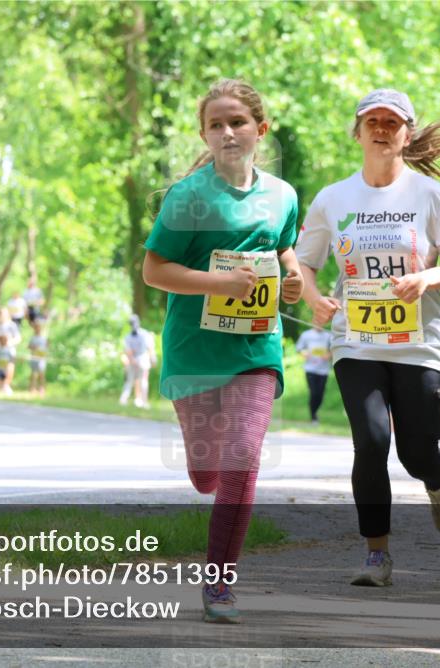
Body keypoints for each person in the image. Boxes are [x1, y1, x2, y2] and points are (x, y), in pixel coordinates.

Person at [295, 88, 440, 588]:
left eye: (391, 122)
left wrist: (424, 280)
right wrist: (313, 298)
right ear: (357, 132)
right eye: (371, 120)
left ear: (406, 134)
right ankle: (377, 555)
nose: (381, 128)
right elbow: (306, 261)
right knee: (371, 441)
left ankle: (438, 477)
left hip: (421, 341)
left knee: (416, 453)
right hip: (358, 338)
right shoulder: (333, 198)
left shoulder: (430, 196)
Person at [142, 79, 302, 622]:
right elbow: (154, 270)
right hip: (194, 352)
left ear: (261, 129)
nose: (228, 132)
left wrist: (295, 274)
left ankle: (219, 583)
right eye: (216, 124)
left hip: (256, 348)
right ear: (204, 134)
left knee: (242, 462)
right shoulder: (188, 197)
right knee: (206, 472)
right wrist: (217, 283)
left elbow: (283, 248)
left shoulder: (283, 195)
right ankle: (202, 471)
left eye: (237, 122)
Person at [295, 324, 332, 424]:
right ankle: (313, 416)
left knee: (320, 394)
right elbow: (298, 348)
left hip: (323, 370)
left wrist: (329, 355)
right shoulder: (306, 335)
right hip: (310, 369)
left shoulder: (328, 335)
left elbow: (334, 349)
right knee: (314, 392)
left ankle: (315, 412)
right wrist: (304, 353)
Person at [120, 315, 156, 409]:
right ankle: (143, 402)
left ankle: (124, 400)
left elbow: (129, 352)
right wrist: (153, 359)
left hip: (136, 360)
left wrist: (132, 360)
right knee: (143, 380)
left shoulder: (128, 337)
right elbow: (150, 349)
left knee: (130, 381)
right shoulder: (145, 334)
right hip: (142, 360)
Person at [28, 318, 49, 397]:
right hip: (34, 357)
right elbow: (29, 346)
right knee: (33, 374)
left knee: (41, 374)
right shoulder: (33, 338)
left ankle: (42, 388)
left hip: (42, 359)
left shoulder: (44, 338)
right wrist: (34, 347)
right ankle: (32, 388)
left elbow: (47, 347)